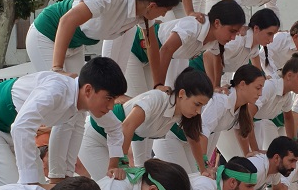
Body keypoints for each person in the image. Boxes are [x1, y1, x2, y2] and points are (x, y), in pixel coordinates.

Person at [0, 59, 128, 186]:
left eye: (114, 99)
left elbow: (114, 127)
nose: (111, 106)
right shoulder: (55, 91)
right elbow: (21, 128)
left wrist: (112, 166)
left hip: (12, 129)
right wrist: (30, 183)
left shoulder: (85, 102)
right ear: (88, 90)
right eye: (108, 98)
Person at [28, 0, 182, 79]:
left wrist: (158, 84)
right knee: (59, 92)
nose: (163, 15)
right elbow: (67, 21)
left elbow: (152, 47)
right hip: (46, 34)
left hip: (74, 44)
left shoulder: (143, 13)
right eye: (165, 10)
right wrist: (57, 69)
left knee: (77, 103)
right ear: (153, 6)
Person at [79, 69, 212, 182]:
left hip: (114, 145)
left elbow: (193, 140)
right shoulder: (157, 98)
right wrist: (120, 163)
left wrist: (203, 170)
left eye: (202, 106)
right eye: (197, 104)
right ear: (182, 94)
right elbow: (127, 126)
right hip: (95, 138)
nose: (198, 111)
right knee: (113, 187)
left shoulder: (180, 115)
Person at [155, 0, 246, 87]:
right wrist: (159, 85)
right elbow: (166, 49)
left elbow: (217, 57)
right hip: (150, 48)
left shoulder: (216, 39)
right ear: (217, 23)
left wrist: (216, 86)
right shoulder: (194, 25)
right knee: (158, 94)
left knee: (173, 94)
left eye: (236, 33)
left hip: (174, 57)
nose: (233, 38)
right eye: (232, 31)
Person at [251, 55, 298, 147]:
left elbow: (288, 118)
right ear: (289, 75)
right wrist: (254, 149)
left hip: (248, 125)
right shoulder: (270, 87)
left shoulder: (287, 96)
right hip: (233, 124)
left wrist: (293, 143)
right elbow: (247, 114)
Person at [215, 8, 280, 83]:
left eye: (273, 35)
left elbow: (255, 60)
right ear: (256, 28)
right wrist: (215, 85)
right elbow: (208, 55)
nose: (271, 40)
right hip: (201, 69)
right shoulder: (238, 40)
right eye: (269, 34)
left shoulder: (254, 45)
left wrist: (262, 79)